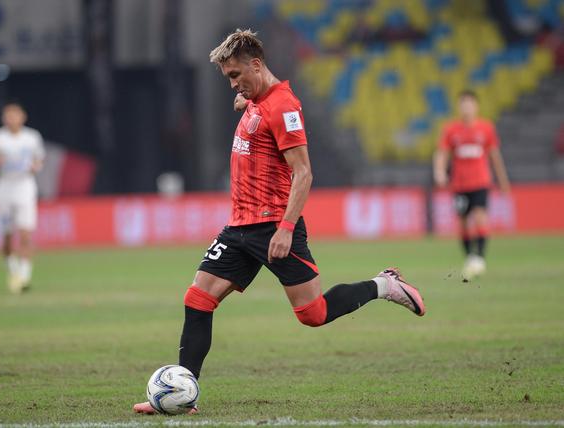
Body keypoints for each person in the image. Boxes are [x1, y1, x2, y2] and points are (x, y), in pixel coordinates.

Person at [133, 29, 425, 415]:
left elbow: (303, 173)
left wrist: (286, 228)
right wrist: (247, 98)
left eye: (236, 75)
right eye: (228, 78)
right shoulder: (257, 99)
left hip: (273, 225)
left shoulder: (284, 107)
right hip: (239, 227)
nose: (233, 85)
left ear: (256, 65)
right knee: (198, 299)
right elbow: (257, 106)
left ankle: (384, 285)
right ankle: (184, 393)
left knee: (313, 314)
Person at [433, 90, 510, 280]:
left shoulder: (486, 128)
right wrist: (439, 172)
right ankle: (470, 257)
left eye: (469, 104)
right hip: (459, 184)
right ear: (459, 107)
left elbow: (494, 155)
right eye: (463, 104)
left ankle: (480, 258)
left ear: (476, 106)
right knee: (463, 222)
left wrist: (503, 180)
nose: (466, 108)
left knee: (480, 215)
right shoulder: (451, 130)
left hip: (481, 182)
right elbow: (442, 153)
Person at [0, 102, 44, 293]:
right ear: (4, 119)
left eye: (15, 115)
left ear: (23, 117)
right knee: (7, 236)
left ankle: (24, 278)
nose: (12, 119)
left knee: (25, 234)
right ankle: (12, 270)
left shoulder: (32, 137)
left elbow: (39, 159)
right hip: (5, 189)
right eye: (8, 116)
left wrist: (35, 167)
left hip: (25, 188)